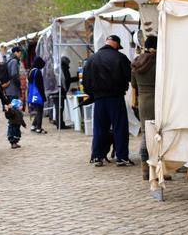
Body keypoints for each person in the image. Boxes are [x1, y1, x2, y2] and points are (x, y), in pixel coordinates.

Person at [83, 34, 133, 167]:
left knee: (99, 128)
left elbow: (85, 82)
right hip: (116, 97)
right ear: (116, 44)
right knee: (120, 127)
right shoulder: (120, 57)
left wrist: (91, 94)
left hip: (99, 98)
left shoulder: (91, 59)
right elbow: (129, 77)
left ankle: (97, 156)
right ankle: (121, 157)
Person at [131, 35, 157, 181]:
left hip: (143, 101)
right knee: (159, 135)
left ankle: (145, 170)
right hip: (158, 100)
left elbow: (133, 84)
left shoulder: (136, 62)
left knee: (146, 134)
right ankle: (158, 169)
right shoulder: (158, 61)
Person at [53, 56, 73, 129]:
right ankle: (60, 124)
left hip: (56, 91)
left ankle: (59, 123)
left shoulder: (58, 68)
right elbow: (67, 80)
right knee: (60, 108)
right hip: (60, 92)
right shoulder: (63, 69)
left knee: (59, 108)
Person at [28, 56, 46, 134]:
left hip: (32, 94)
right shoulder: (38, 72)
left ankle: (33, 125)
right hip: (38, 94)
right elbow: (40, 86)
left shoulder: (31, 71)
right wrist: (43, 96)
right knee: (40, 111)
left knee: (37, 110)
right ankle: (39, 128)